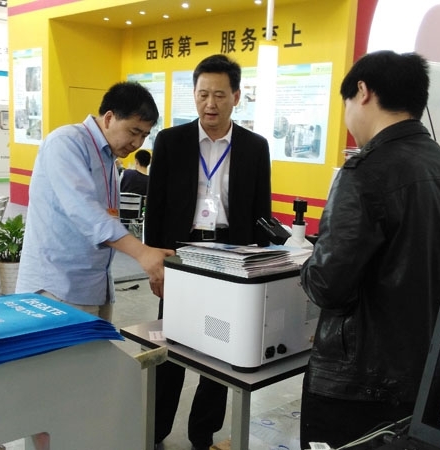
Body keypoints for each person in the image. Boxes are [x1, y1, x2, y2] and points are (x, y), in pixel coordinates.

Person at [298, 50, 440, 449]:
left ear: (362, 92)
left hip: (356, 383)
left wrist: (307, 262)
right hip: (425, 372)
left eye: (346, 103)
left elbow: (327, 285)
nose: (348, 117)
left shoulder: (365, 172)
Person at [144, 54, 271, 450]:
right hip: (181, 254)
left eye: (219, 95)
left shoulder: (255, 147)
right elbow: (155, 206)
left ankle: (203, 434)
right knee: (173, 342)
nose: (210, 104)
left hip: (231, 255)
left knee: (220, 345)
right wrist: (155, 262)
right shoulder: (171, 141)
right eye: (202, 94)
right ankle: (156, 430)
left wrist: (257, 270)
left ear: (236, 97)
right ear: (194, 95)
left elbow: (262, 212)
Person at [16, 81, 174, 321]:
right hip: (56, 288)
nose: (137, 143)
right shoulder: (66, 143)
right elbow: (84, 211)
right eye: (133, 132)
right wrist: (142, 253)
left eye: (144, 135)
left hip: (94, 287)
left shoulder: (109, 156)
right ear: (109, 118)